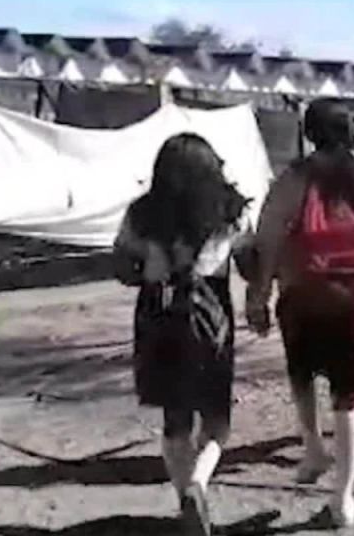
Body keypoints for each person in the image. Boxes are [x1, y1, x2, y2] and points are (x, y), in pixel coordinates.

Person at [247, 100, 354, 529]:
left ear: (309, 131)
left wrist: (258, 293)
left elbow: (269, 235)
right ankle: (343, 498)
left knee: (302, 373)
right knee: (350, 394)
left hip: (302, 291)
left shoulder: (294, 177)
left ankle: (313, 447)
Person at [113, 133, 254, 536]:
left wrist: (151, 266)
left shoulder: (141, 214)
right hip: (210, 315)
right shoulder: (231, 211)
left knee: (175, 419)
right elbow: (248, 262)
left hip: (158, 315)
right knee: (216, 420)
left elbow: (121, 267)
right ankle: (199, 483)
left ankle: (182, 501)